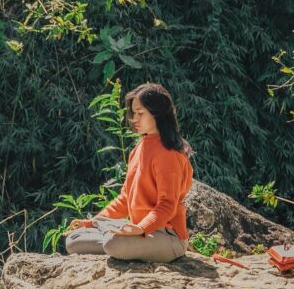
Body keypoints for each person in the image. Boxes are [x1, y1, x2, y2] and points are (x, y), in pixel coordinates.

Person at [63, 83, 195, 263]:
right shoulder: (139, 149)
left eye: (141, 113)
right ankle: (117, 240)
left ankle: (119, 242)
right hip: (137, 231)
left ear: (158, 114)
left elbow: (167, 205)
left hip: (168, 237)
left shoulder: (168, 154)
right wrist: (93, 222)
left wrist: (141, 228)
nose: (134, 119)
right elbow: (125, 199)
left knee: (113, 243)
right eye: (133, 113)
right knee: (74, 240)